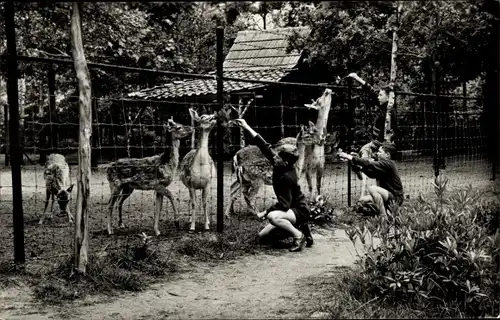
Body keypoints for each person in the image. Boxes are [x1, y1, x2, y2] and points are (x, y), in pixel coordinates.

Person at [232, 118, 313, 252]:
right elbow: (263, 145)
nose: (274, 157)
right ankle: (301, 228)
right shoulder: (279, 163)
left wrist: (264, 212)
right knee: (263, 236)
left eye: (278, 157)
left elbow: (284, 204)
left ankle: (299, 236)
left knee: (272, 217)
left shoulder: (287, 178)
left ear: (285, 162)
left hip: (299, 211)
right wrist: (246, 126)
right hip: (290, 211)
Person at [338, 142, 404, 216]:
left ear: (387, 155)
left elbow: (369, 163)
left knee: (372, 189)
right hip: (387, 195)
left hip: (395, 198)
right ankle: (384, 210)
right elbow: (372, 174)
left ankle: (383, 217)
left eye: (379, 152)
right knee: (362, 200)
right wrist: (360, 168)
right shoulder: (384, 165)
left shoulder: (389, 164)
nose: (377, 154)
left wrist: (350, 157)